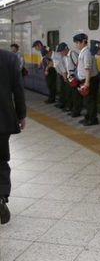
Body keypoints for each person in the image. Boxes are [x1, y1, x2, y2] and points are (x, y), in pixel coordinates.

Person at [0, 49, 26, 224]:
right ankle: (1, 198)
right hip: (3, 120)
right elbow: (18, 89)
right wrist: (21, 114)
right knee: (1, 160)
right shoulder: (10, 58)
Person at [74, 33, 99, 126]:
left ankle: (92, 119)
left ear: (81, 42)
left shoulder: (87, 53)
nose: (75, 45)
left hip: (90, 80)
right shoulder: (83, 52)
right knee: (87, 100)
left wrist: (87, 82)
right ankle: (88, 117)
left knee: (90, 100)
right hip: (86, 80)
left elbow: (87, 68)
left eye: (76, 43)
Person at [56, 42, 82, 117]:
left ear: (66, 49)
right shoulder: (66, 56)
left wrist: (76, 76)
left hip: (75, 76)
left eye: (61, 51)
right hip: (70, 77)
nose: (61, 53)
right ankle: (73, 109)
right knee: (72, 94)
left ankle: (77, 111)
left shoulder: (72, 54)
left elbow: (78, 65)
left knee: (76, 95)